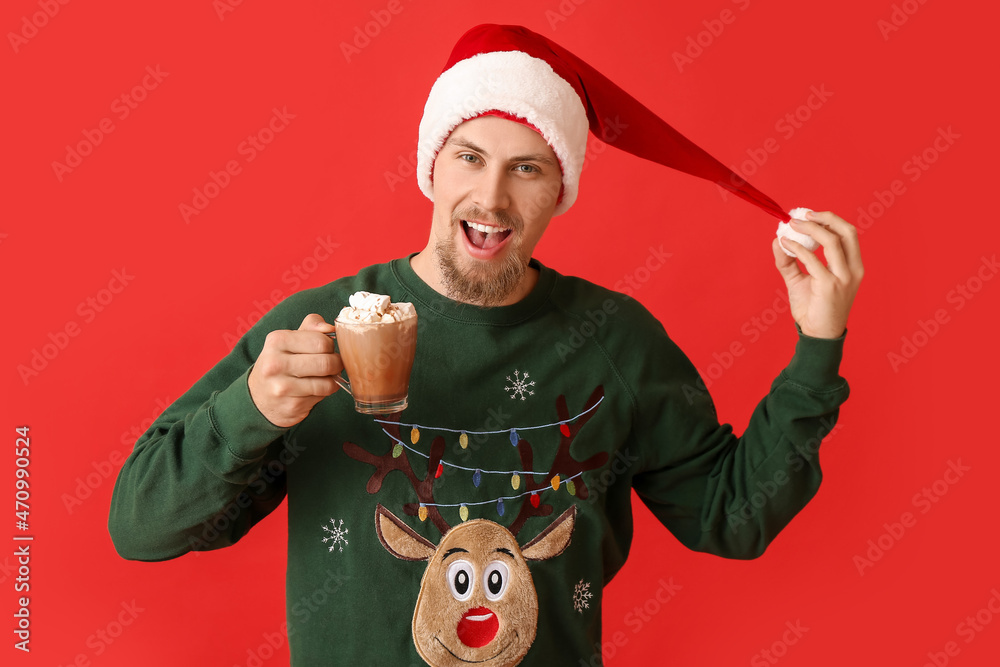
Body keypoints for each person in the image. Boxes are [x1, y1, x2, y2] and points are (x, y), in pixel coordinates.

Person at [109, 24, 863, 667]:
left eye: (526, 169)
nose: (492, 198)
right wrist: (250, 410)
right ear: (432, 166)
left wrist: (818, 343)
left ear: (558, 190)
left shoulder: (616, 343)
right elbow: (140, 526)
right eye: (469, 156)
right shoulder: (321, 328)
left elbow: (731, 515)